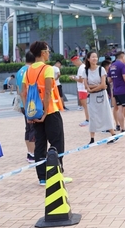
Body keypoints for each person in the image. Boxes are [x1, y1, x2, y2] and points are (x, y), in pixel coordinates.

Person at [22, 41, 66, 186]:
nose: (48, 53)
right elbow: (47, 91)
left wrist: (29, 114)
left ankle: (42, 177)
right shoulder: (47, 69)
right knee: (56, 142)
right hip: (50, 112)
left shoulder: (27, 70)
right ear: (42, 53)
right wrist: (46, 113)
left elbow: (24, 93)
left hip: (34, 112)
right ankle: (56, 174)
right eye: (47, 50)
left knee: (40, 144)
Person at [83, 51, 117, 144]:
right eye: (92, 57)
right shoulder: (85, 71)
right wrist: (93, 88)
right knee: (93, 116)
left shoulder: (101, 69)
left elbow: (103, 85)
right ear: (88, 59)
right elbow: (86, 86)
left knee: (106, 114)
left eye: (96, 57)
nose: (95, 59)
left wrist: (91, 89)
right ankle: (92, 138)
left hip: (101, 95)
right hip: (91, 97)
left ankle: (113, 134)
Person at [15, 53, 36, 163]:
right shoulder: (31, 70)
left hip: (23, 104)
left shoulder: (20, 71)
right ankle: (32, 154)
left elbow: (18, 89)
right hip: (30, 104)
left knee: (28, 129)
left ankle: (29, 152)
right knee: (33, 129)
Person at [108, 50, 125, 131]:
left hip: (116, 90)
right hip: (124, 90)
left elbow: (109, 79)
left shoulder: (111, 66)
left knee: (120, 109)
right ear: (122, 57)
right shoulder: (122, 65)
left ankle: (122, 128)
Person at [70, 55, 89, 126]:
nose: (74, 64)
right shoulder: (82, 67)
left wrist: (74, 78)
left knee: (85, 106)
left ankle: (88, 119)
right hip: (83, 89)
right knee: (86, 106)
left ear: (76, 61)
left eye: (73, 62)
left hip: (82, 89)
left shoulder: (81, 68)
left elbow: (81, 80)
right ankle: (88, 119)